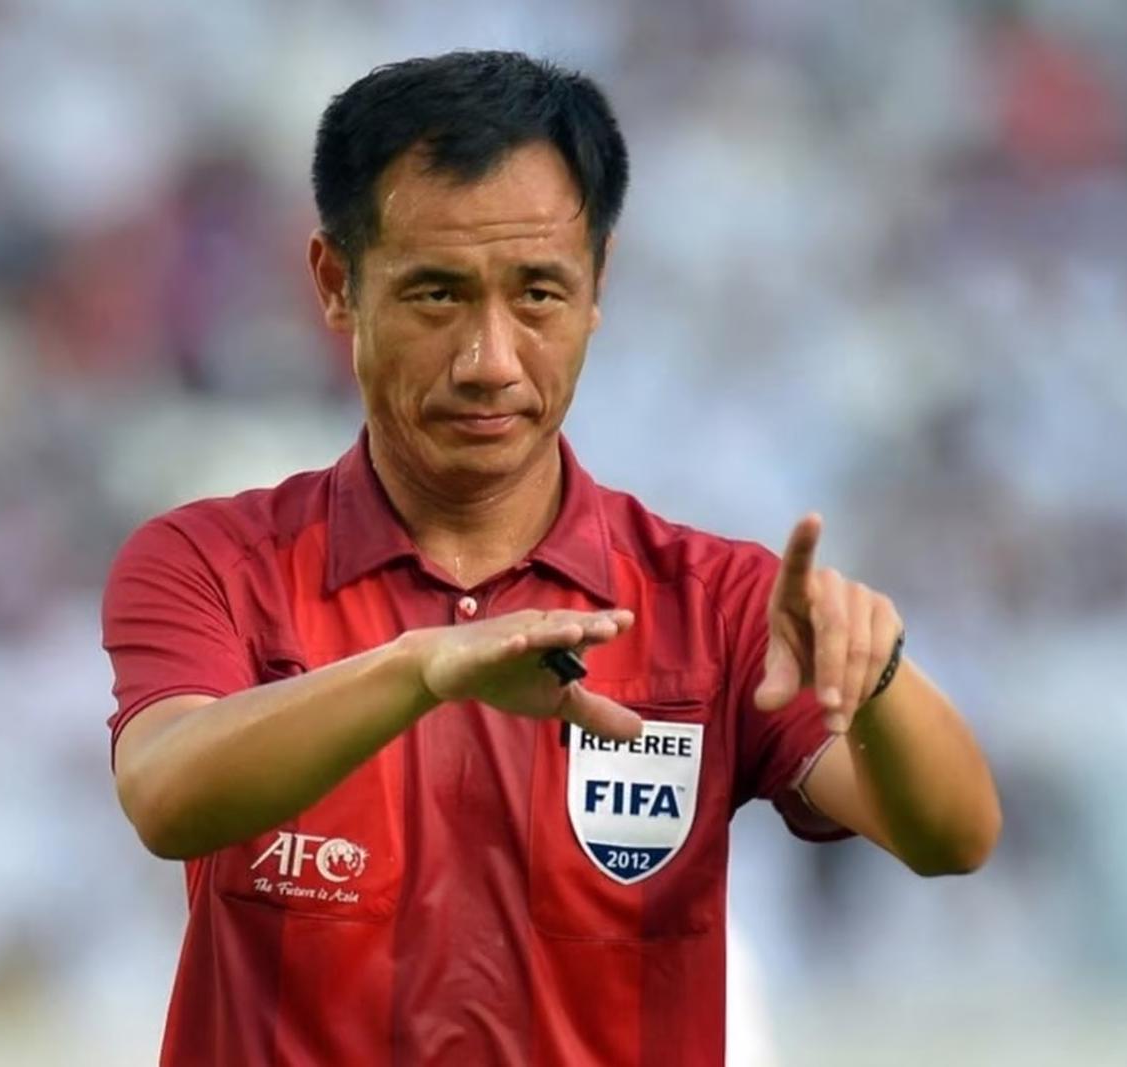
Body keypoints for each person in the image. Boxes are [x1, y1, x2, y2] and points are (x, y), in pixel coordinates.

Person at [101, 50, 1001, 1066]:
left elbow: (954, 837)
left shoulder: (717, 604)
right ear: (336, 284)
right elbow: (165, 793)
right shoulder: (211, 562)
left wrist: (877, 673)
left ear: (596, 284)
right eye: (436, 295)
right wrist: (421, 669)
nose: (490, 361)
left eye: (537, 293)